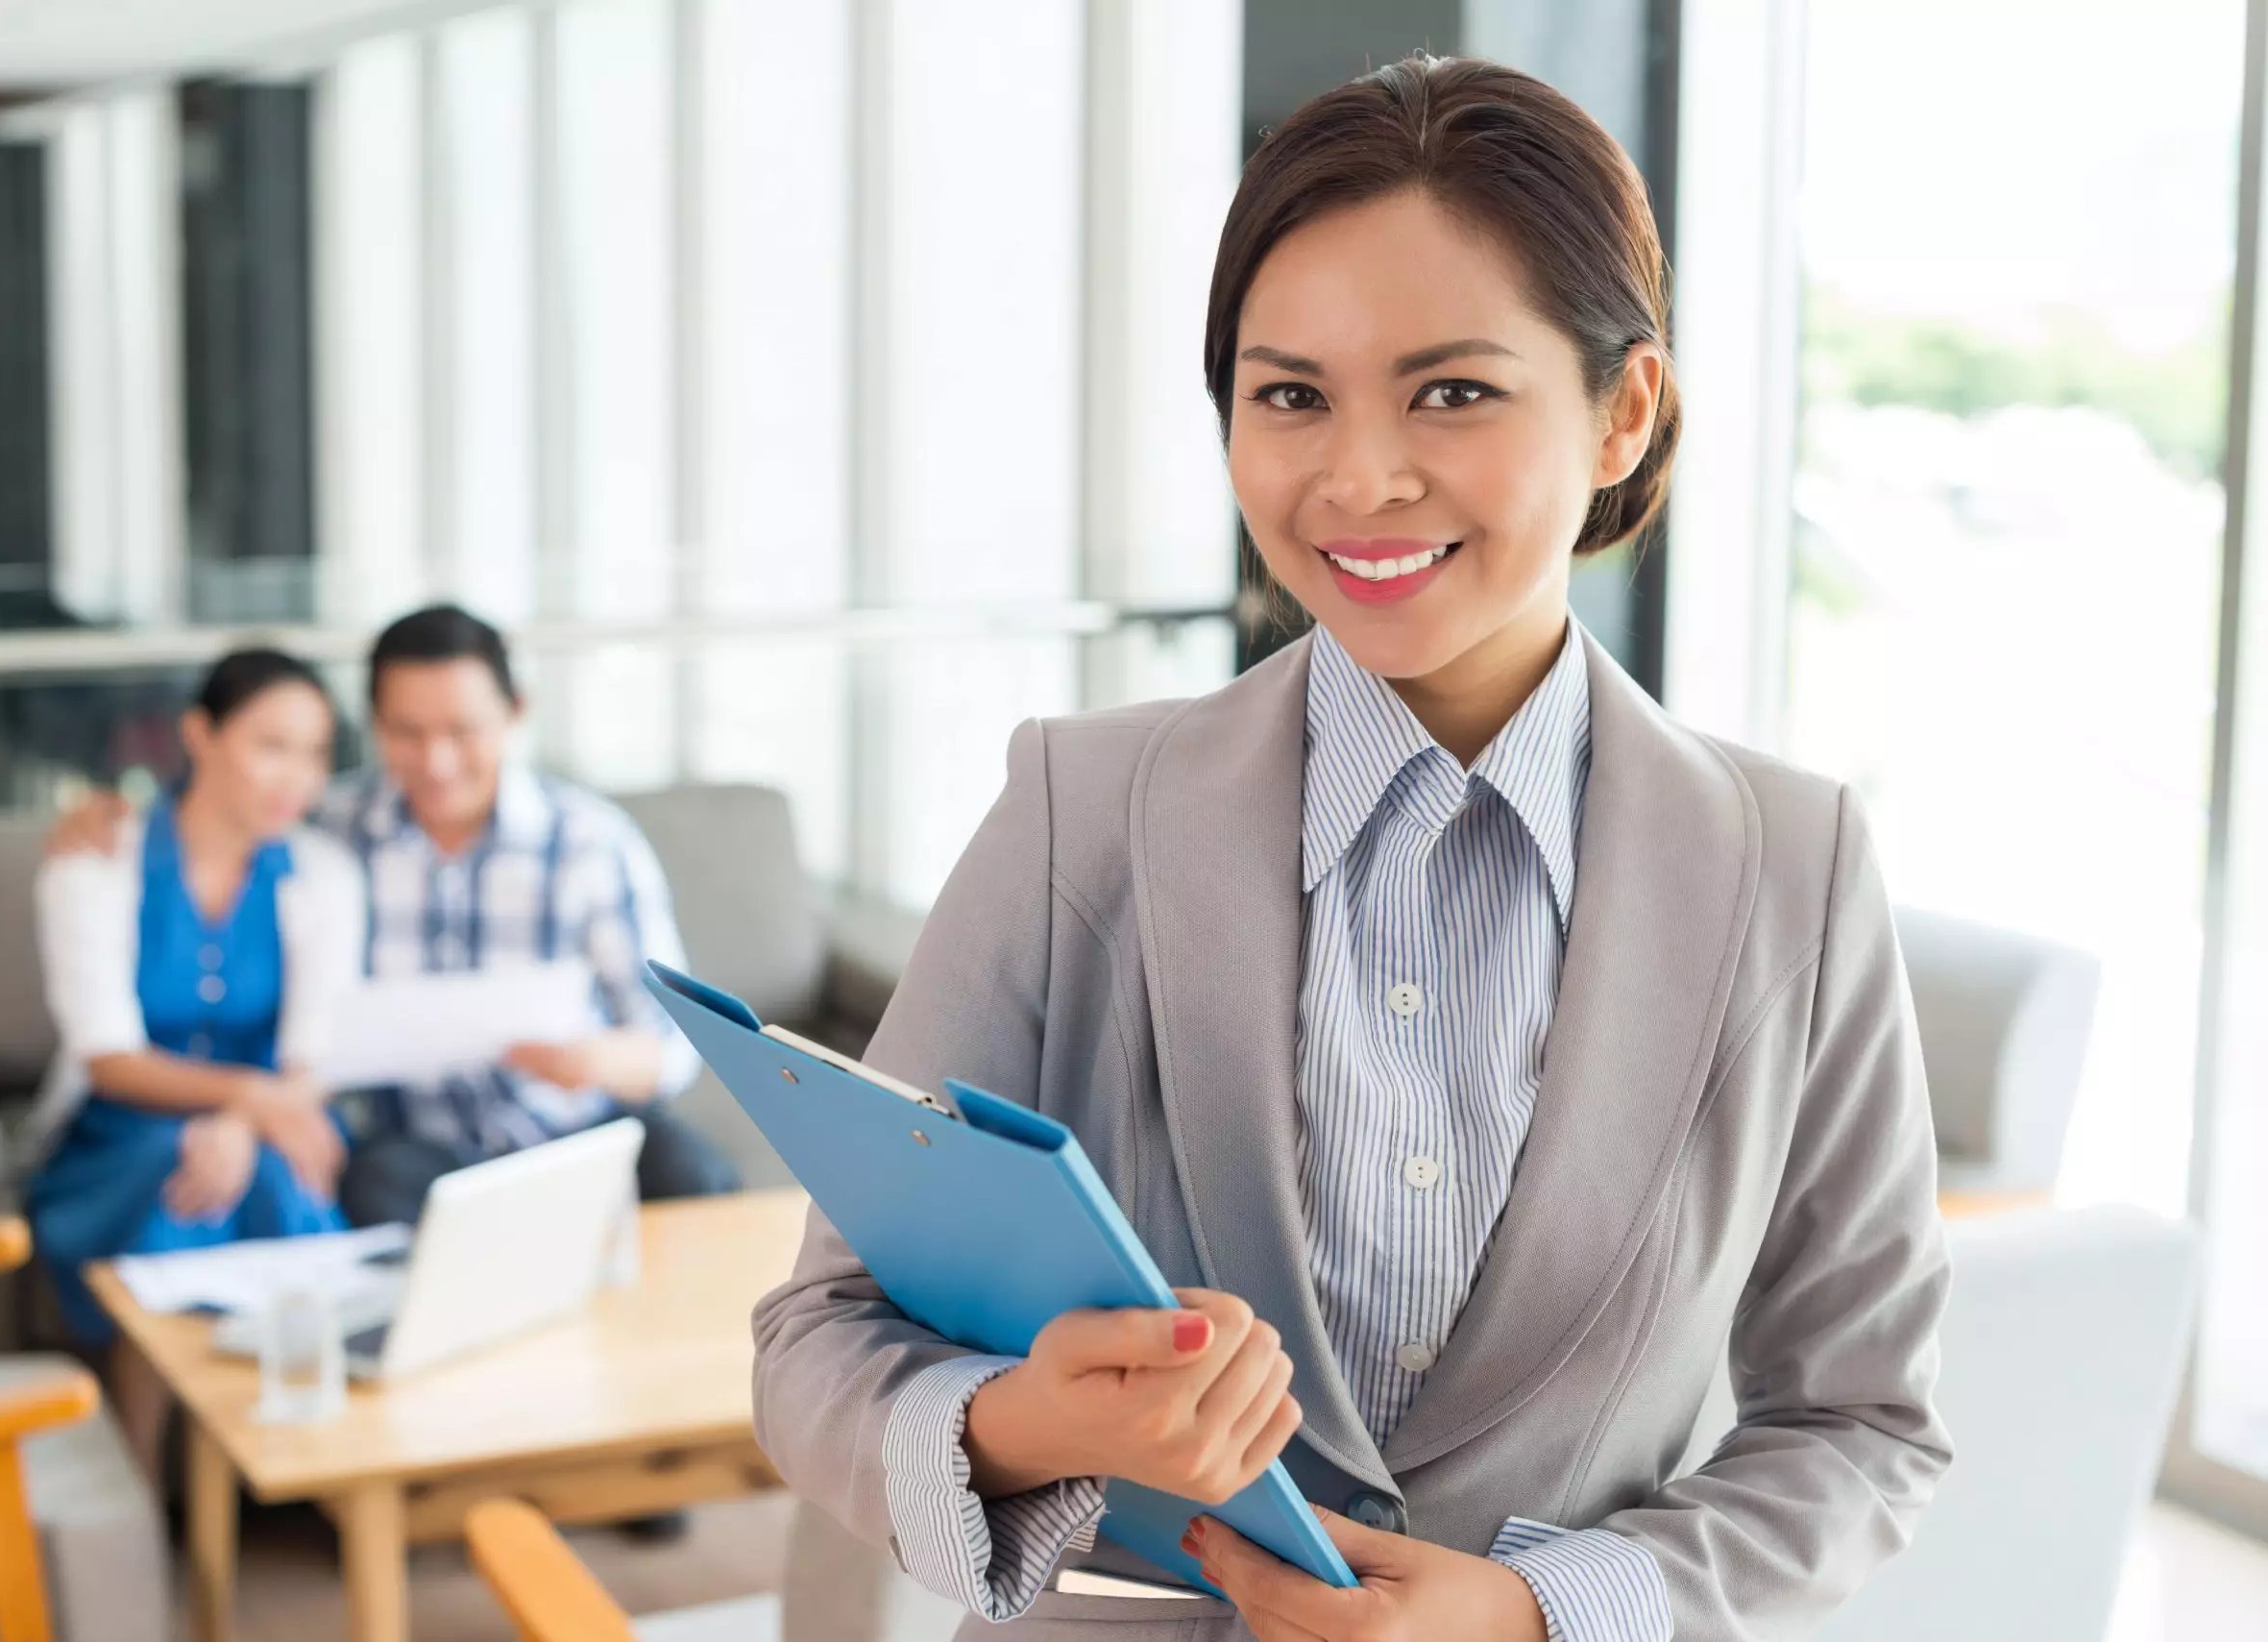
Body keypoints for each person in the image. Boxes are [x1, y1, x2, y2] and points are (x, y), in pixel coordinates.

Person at [751, 56, 1950, 1642]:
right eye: (1290, 393)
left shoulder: (1790, 864)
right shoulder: (1079, 807)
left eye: (1453, 390)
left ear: (1623, 411)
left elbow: (1864, 1422)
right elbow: (819, 1335)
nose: (1357, 478)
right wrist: (1037, 1422)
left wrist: (1536, 1606)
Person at [49, 604, 737, 1226]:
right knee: (367, 1191)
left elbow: (676, 1044)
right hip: (416, 1143)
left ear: (515, 712)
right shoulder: (327, 832)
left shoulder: (591, 842)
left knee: (698, 1176)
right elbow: (220, 817)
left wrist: (597, 1060)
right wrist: (104, 813)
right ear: (375, 725)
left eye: (464, 731)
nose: (436, 763)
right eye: (407, 732)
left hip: (579, 1127)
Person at [26, 648, 364, 1468]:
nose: (297, 777)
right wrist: (247, 1104)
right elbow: (107, 1057)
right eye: (271, 745)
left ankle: (317, 1464)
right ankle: (143, 1472)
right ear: (200, 734)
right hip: (118, 1134)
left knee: (267, 1171)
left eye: (315, 753)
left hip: (273, 1123)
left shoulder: (324, 874)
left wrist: (250, 1118)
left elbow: (308, 1056)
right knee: (192, 1180)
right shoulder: (93, 863)